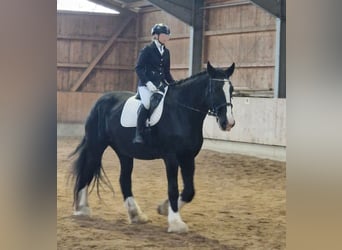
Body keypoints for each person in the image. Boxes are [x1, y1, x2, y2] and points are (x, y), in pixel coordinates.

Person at [133, 23, 175, 144]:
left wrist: (173, 84)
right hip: (146, 85)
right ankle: (139, 133)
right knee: (146, 104)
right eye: (164, 34)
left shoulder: (166, 52)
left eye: (168, 35)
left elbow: (166, 72)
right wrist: (147, 82)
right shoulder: (147, 50)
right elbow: (139, 68)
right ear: (156, 36)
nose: (166, 37)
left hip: (161, 85)